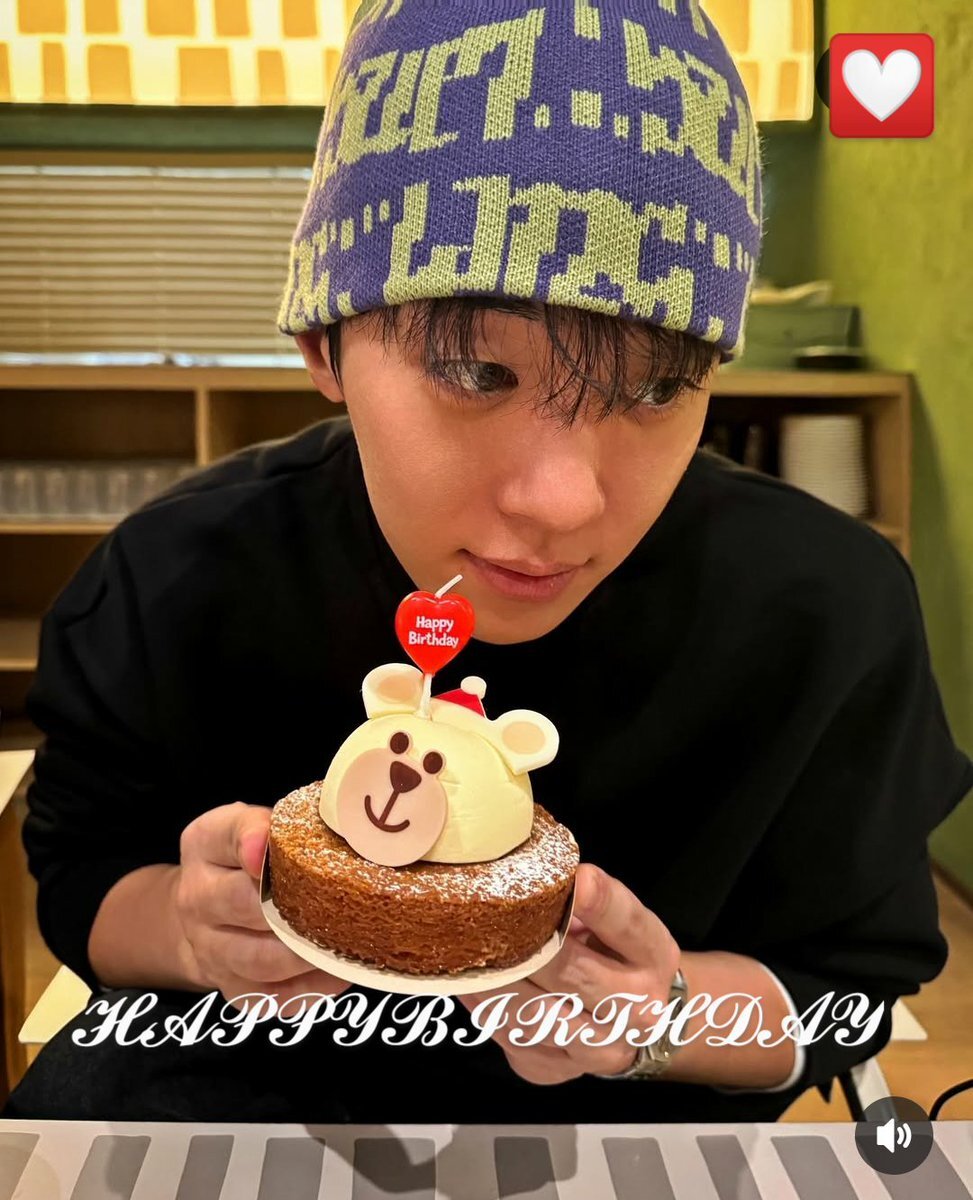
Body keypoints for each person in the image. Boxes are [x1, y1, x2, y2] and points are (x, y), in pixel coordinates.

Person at [5, 0, 972, 1125]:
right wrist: (187, 927)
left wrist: (656, 1016)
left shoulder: (823, 614)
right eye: (475, 371)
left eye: (658, 387)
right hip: (222, 1090)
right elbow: (83, 874)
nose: (564, 502)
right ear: (324, 341)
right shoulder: (173, 579)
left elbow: (846, 990)